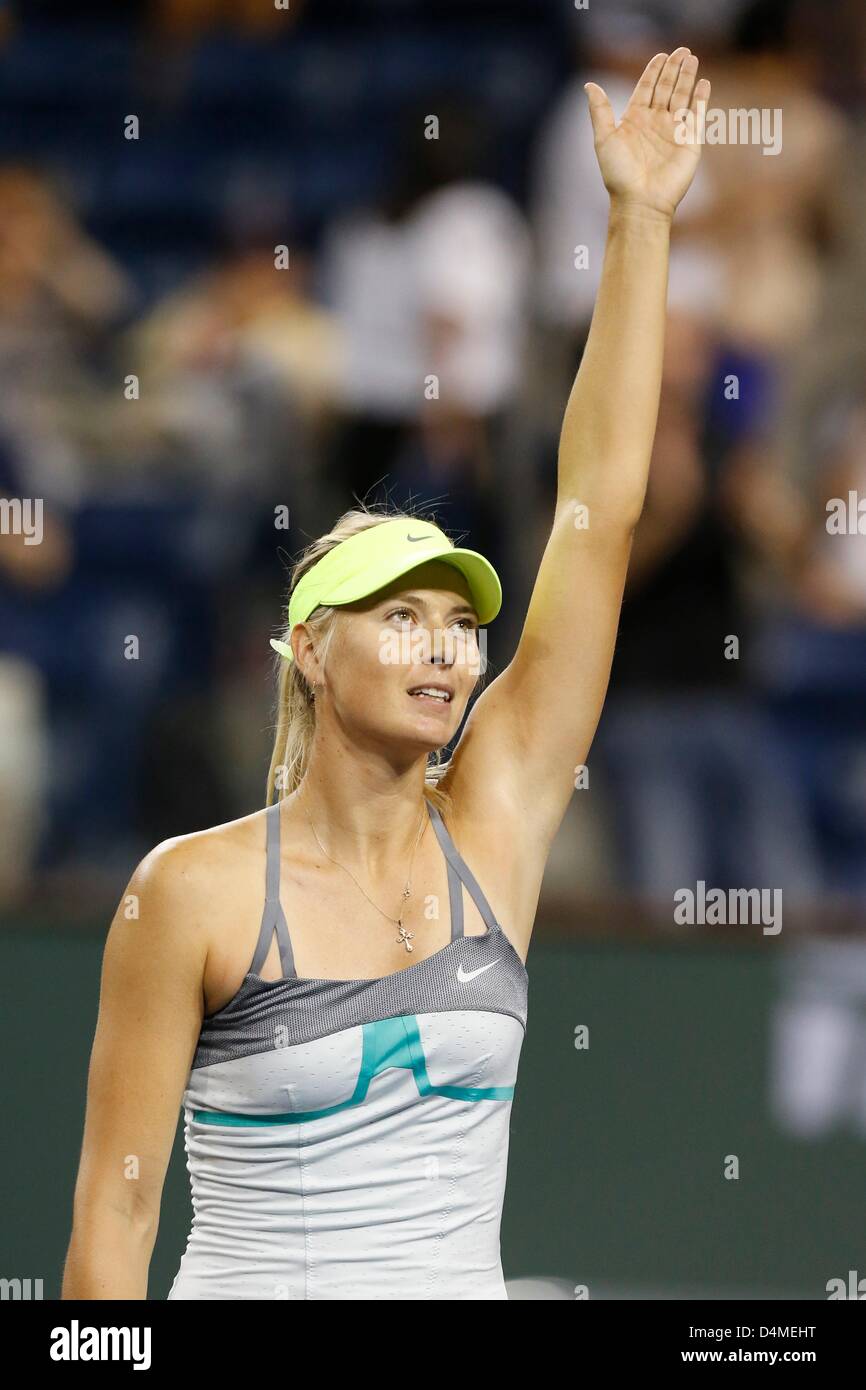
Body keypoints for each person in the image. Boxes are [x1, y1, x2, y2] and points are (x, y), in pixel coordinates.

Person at [62, 47, 710, 1299]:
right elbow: (110, 1227)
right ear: (309, 647)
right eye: (397, 615)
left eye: (457, 624)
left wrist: (636, 224)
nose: (443, 646)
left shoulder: (498, 819)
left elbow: (599, 512)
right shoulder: (185, 893)